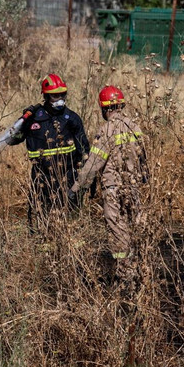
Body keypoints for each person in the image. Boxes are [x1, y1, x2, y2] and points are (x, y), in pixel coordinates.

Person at [69, 85, 148, 260]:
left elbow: (93, 164)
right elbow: (143, 158)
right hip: (133, 186)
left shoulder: (106, 130)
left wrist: (76, 189)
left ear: (104, 108)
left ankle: (123, 267)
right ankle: (140, 262)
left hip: (113, 189)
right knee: (136, 225)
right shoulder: (135, 127)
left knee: (118, 230)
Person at [6, 73, 90, 230]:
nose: (60, 99)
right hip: (41, 177)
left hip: (67, 176)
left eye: (62, 94)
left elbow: (84, 151)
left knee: (69, 218)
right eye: (55, 96)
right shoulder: (33, 118)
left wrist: (84, 180)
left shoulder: (71, 118)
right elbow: (11, 140)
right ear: (45, 96)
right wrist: (22, 123)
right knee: (39, 217)